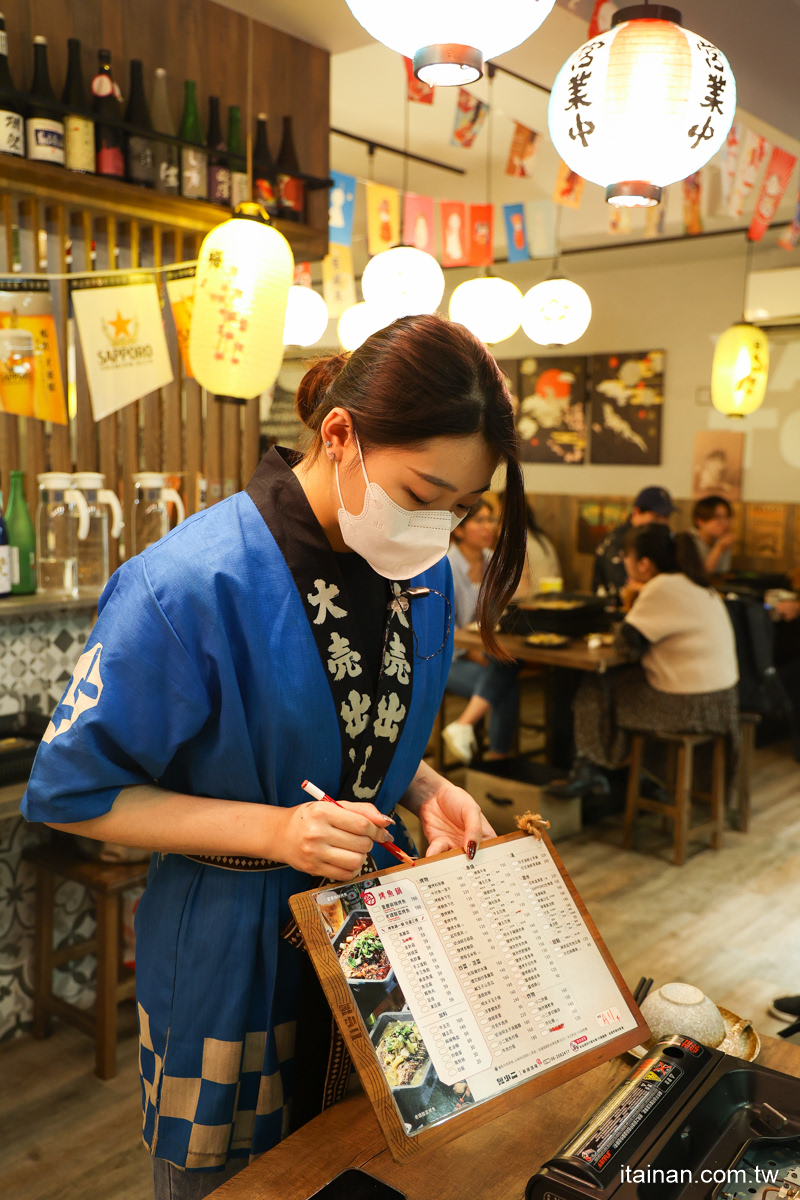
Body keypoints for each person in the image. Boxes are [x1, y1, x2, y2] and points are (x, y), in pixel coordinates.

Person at [20, 314, 528, 1198]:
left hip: (380, 943)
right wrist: (278, 831)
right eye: (423, 492)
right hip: (233, 954)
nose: (439, 526)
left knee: (371, 1171)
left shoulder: (423, 574)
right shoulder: (188, 581)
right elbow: (71, 792)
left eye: (463, 506)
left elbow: (357, 723)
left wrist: (425, 785)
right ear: (341, 436)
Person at [550, 525, 739, 798]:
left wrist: (632, 597)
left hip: (692, 707)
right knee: (620, 685)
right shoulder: (693, 582)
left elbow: (626, 646)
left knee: (596, 685)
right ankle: (635, 774)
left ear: (644, 563)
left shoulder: (663, 586)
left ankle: (593, 769)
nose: (623, 562)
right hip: (721, 700)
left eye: (625, 555)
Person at [442, 499, 521, 762]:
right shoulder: (445, 566)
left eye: (492, 520)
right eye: (480, 521)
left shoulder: (494, 562)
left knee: (505, 668)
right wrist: (476, 654)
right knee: (505, 684)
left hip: (487, 653)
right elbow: (443, 633)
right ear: (459, 529)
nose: (489, 527)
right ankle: (497, 762)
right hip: (451, 659)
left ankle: (464, 727)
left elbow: (503, 614)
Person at [592, 486, 677, 601]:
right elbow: (624, 590)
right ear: (636, 512)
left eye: (666, 517)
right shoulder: (617, 541)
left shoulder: (662, 538)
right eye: (656, 517)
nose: (663, 523)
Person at [514, 502, 562, 598]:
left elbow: (521, 592)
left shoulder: (517, 539)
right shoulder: (541, 537)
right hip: (553, 597)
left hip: (537, 600)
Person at [690, 494, 736, 575]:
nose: (725, 523)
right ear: (699, 521)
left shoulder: (722, 541)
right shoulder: (687, 540)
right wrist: (719, 548)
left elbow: (721, 575)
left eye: (727, 517)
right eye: (717, 517)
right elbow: (700, 577)